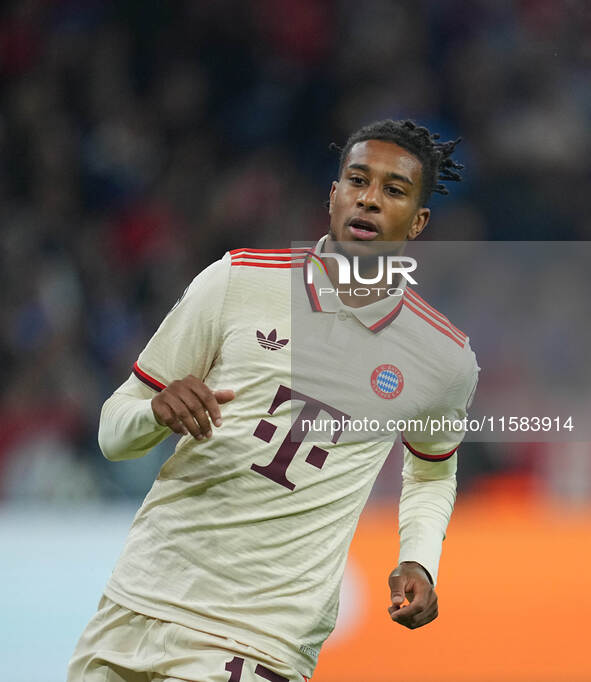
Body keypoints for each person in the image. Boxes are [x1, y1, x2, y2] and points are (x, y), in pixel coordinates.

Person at [68, 119, 478, 682]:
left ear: (419, 219)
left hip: (261, 634)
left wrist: (420, 559)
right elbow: (113, 434)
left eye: (394, 190)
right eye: (357, 180)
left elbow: (432, 472)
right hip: (137, 599)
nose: (369, 199)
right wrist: (152, 415)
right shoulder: (237, 281)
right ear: (333, 195)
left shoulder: (443, 358)